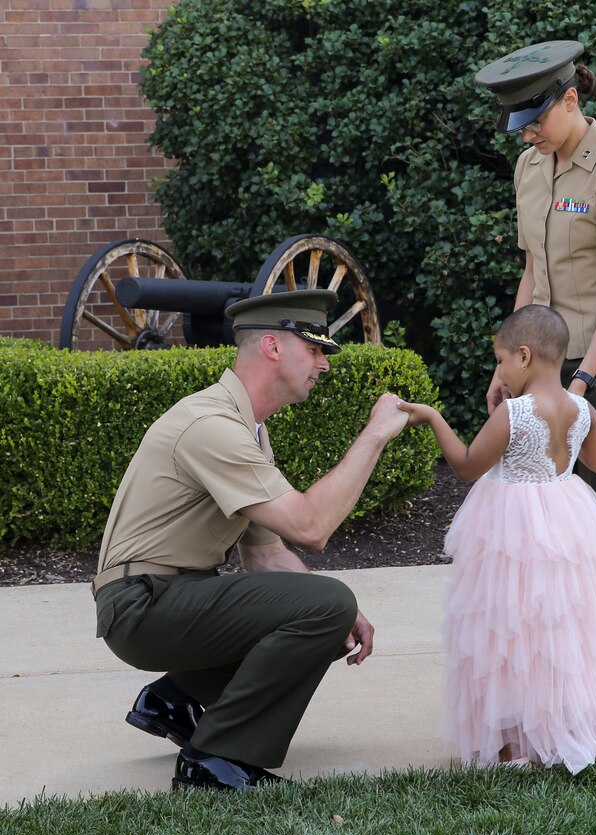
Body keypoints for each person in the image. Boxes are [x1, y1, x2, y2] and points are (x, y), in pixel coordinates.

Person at [92, 288, 408, 791]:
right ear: (272, 347)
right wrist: (373, 436)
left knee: (328, 614)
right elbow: (310, 527)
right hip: (143, 606)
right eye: (315, 349)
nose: (323, 364)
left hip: (166, 599)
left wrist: (340, 617)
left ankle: (177, 698)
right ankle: (214, 761)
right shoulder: (211, 425)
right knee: (327, 604)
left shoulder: (248, 429)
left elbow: (264, 554)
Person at [398, 305, 596, 773]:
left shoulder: (513, 414)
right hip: (569, 518)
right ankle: (568, 728)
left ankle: (515, 742)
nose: (499, 371)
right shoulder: (583, 408)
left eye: (500, 360)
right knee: (563, 628)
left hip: (513, 529)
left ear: (525, 356)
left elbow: (468, 465)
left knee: (510, 629)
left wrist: (433, 418)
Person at [475, 40, 596, 668]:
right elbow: (532, 272)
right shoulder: (530, 169)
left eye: (536, 121)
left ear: (571, 97)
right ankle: (560, 675)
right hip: (549, 366)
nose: (526, 136)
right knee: (544, 528)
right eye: (518, 126)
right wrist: (512, 367)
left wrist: (580, 385)